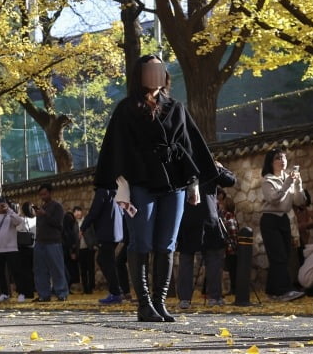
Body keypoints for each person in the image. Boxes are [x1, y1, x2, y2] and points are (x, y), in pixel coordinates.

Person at [93, 55, 219, 322]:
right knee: (141, 242)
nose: (155, 74)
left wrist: (193, 183)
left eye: (159, 69)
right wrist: (121, 188)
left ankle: (160, 303)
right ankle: (143, 304)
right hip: (140, 183)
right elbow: (117, 151)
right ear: (139, 74)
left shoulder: (176, 107)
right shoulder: (126, 109)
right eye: (149, 69)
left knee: (167, 243)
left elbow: (188, 146)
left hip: (174, 184)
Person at [176, 162, 237, 309]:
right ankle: (213, 297)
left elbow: (230, 180)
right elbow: (231, 180)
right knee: (209, 257)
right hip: (203, 216)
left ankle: (187, 299)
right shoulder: (207, 166)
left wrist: (218, 168)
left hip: (194, 217)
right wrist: (219, 167)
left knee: (189, 258)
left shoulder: (185, 164)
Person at [259, 147, 307, 302]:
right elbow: (274, 199)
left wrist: (298, 184)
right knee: (278, 255)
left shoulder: (289, 178)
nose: (282, 161)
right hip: (270, 219)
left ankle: (272, 291)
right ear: (271, 163)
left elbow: (300, 202)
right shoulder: (267, 180)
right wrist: (288, 183)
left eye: (284, 158)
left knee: (284, 256)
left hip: (284, 219)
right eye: (278, 158)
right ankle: (284, 290)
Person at [81, 187, 129, 305]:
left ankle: (116, 292)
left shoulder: (103, 191)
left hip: (106, 232)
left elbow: (94, 211)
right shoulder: (117, 191)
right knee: (107, 260)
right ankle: (118, 290)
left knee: (105, 261)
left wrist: (83, 227)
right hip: (116, 232)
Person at [32, 184, 69, 303]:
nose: (43, 196)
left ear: (50, 193)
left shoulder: (57, 207)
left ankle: (61, 293)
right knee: (40, 270)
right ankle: (44, 294)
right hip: (40, 242)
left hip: (53, 242)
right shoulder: (42, 208)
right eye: (41, 194)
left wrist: (45, 215)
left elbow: (58, 224)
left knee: (57, 268)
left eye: (45, 194)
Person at [0, 196, 25, 303]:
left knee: (16, 272)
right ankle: (4, 293)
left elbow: (19, 221)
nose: (1, 205)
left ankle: (21, 293)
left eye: (3, 203)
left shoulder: (11, 216)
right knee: (0, 273)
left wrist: (9, 210)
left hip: (11, 248)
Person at [15, 202, 36, 301]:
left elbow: (18, 230)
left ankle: (26, 291)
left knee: (25, 271)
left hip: (25, 247)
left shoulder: (22, 220)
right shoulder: (37, 219)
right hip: (34, 247)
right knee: (32, 271)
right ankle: (31, 291)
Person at [74, 206, 97, 295]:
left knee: (90, 269)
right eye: (75, 212)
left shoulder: (87, 221)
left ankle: (91, 287)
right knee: (83, 270)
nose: (77, 213)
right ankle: (85, 288)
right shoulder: (74, 225)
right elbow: (74, 238)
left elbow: (93, 233)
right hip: (80, 249)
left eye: (78, 211)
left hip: (89, 248)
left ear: (81, 212)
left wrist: (95, 244)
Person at [62, 206, 82, 293]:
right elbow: (71, 241)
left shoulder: (66, 229)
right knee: (70, 271)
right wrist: (73, 251)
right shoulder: (69, 230)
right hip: (68, 253)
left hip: (66, 252)